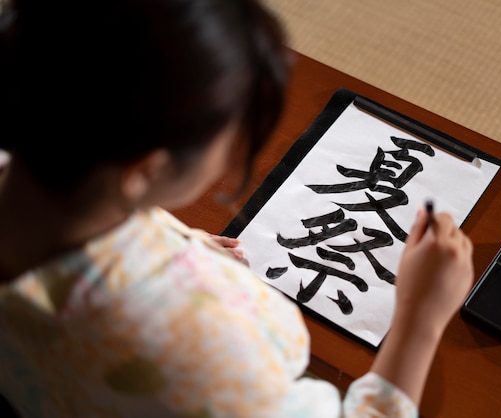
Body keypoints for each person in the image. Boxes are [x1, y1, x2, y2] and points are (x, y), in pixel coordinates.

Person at [0, 0, 474, 416]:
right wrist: (418, 318)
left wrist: (176, 245)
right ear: (143, 171)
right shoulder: (196, 354)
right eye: (229, 136)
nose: (230, 154)